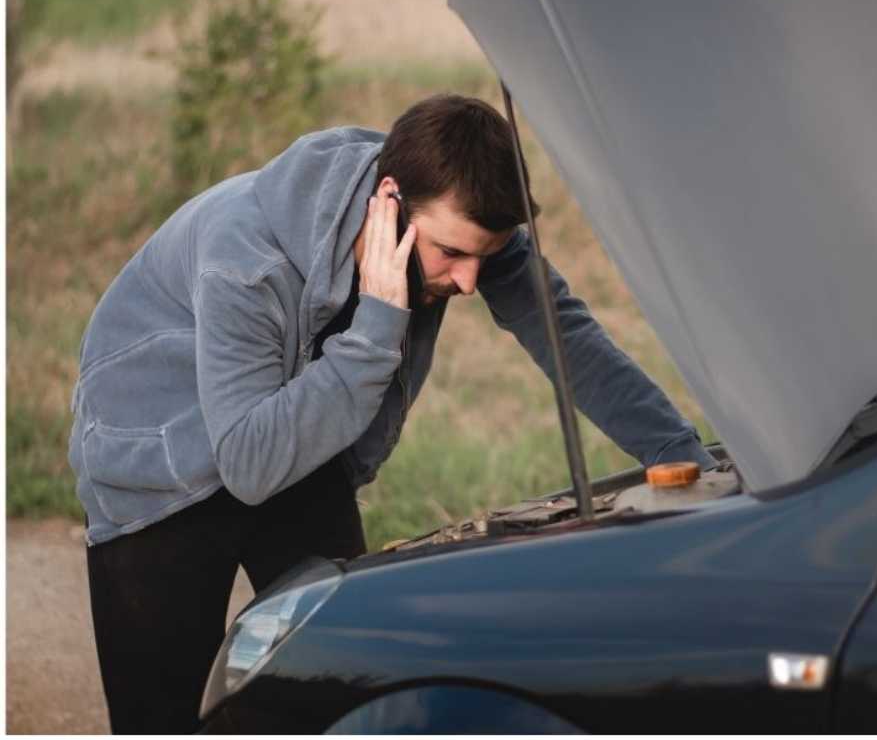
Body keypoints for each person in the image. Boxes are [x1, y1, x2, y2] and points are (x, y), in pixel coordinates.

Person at [67, 94, 715, 732]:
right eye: (452, 255)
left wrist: (681, 455)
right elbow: (249, 464)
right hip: (159, 467)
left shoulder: (454, 218)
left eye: (482, 258)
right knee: (164, 722)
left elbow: (567, 338)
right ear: (389, 204)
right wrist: (377, 325)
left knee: (342, 685)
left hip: (292, 438)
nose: (468, 281)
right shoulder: (247, 261)